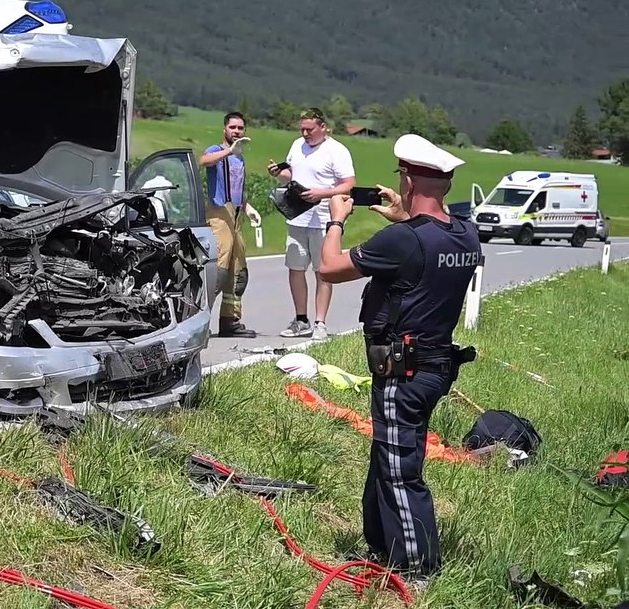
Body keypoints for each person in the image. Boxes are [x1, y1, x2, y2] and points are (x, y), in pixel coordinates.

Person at [316, 133, 482, 581]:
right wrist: (405, 215)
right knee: (386, 456)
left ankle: (415, 568)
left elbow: (328, 268)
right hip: (436, 365)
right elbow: (431, 237)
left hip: (402, 372)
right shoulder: (466, 233)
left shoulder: (401, 240)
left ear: (407, 181)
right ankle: (382, 546)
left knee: (400, 470)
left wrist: (336, 221)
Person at [266, 107, 355, 340]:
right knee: (295, 268)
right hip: (297, 214)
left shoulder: (337, 151)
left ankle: (320, 322)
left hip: (324, 217)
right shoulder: (297, 145)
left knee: (322, 271)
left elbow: (348, 184)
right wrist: (279, 173)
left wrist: (322, 194)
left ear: (323, 127)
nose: (305, 134)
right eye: (302, 129)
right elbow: (292, 174)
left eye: (310, 129)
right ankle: (301, 319)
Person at [200, 111, 261, 337]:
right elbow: (203, 160)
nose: (236, 131)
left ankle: (230, 320)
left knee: (238, 269)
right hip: (218, 213)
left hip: (236, 215)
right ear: (224, 129)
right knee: (219, 267)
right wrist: (228, 151)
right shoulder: (217, 150)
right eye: (232, 127)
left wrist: (247, 207)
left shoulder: (240, 158)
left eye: (240, 128)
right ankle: (200, 320)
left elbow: (237, 188)